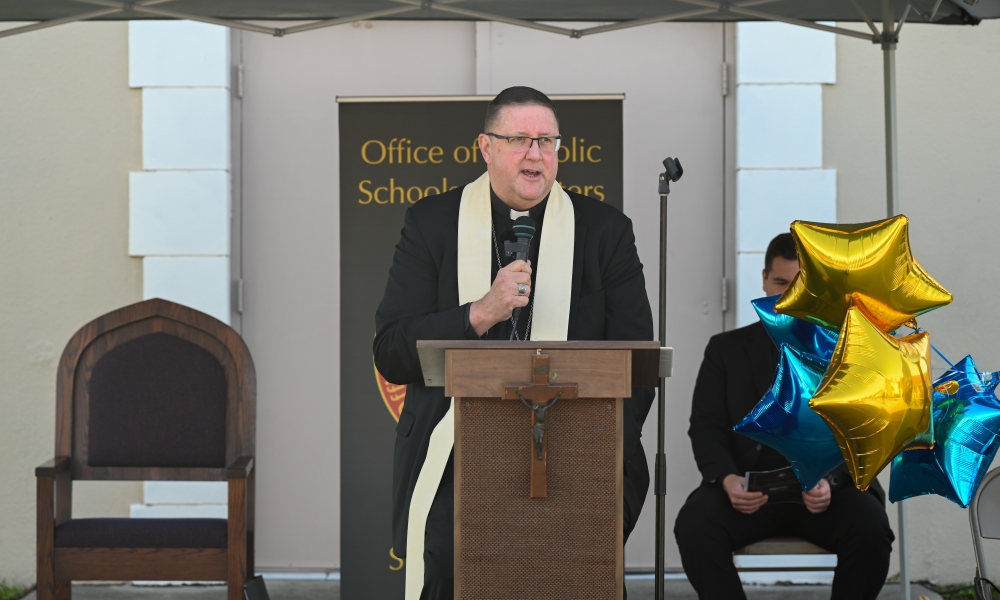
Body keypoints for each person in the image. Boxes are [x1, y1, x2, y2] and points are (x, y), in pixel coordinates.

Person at [374, 86, 655, 600]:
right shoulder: (433, 223)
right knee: (449, 565)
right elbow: (391, 350)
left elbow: (637, 366)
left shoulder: (605, 231)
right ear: (485, 147)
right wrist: (480, 314)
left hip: (580, 450)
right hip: (456, 448)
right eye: (520, 139)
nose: (536, 154)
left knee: (575, 575)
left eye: (547, 141)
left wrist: (599, 445)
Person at [673, 233, 895, 600]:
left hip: (827, 493)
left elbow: (862, 431)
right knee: (695, 525)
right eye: (780, 283)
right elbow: (706, 427)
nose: (789, 297)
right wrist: (727, 479)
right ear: (763, 279)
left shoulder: (845, 350)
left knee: (870, 528)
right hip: (745, 492)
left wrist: (831, 480)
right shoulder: (725, 349)